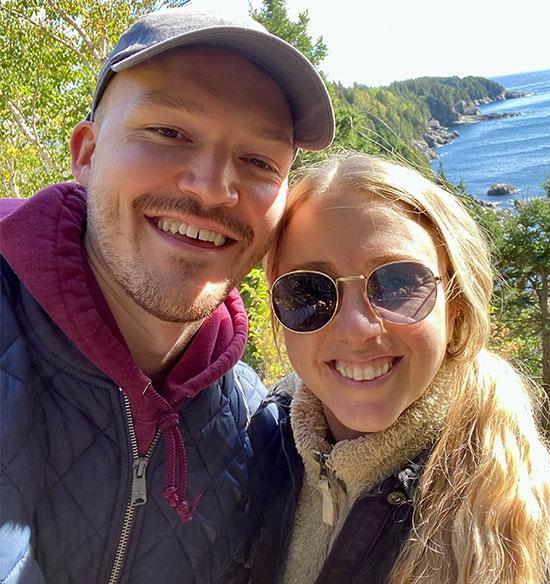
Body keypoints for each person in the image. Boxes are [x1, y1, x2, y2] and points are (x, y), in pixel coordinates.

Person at [0, 7, 334, 583]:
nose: (212, 187)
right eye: (169, 132)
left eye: (258, 161)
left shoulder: (258, 432)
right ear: (86, 153)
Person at [241, 154, 550, 583]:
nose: (355, 328)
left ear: (456, 310)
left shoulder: (528, 513)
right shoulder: (255, 447)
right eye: (309, 291)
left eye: (398, 284)